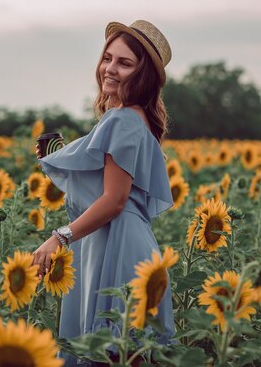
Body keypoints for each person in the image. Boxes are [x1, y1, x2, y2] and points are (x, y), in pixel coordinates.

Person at [32, 20, 175, 366]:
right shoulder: (133, 119)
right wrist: (59, 152)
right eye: (108, 58)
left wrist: (59, 237)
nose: (109, 68)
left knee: (107, 351)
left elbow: (114, 200)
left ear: (143, 75)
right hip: (119, 242)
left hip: (116, 246)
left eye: (124, 63)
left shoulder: (124, 120)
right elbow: (106, 181)